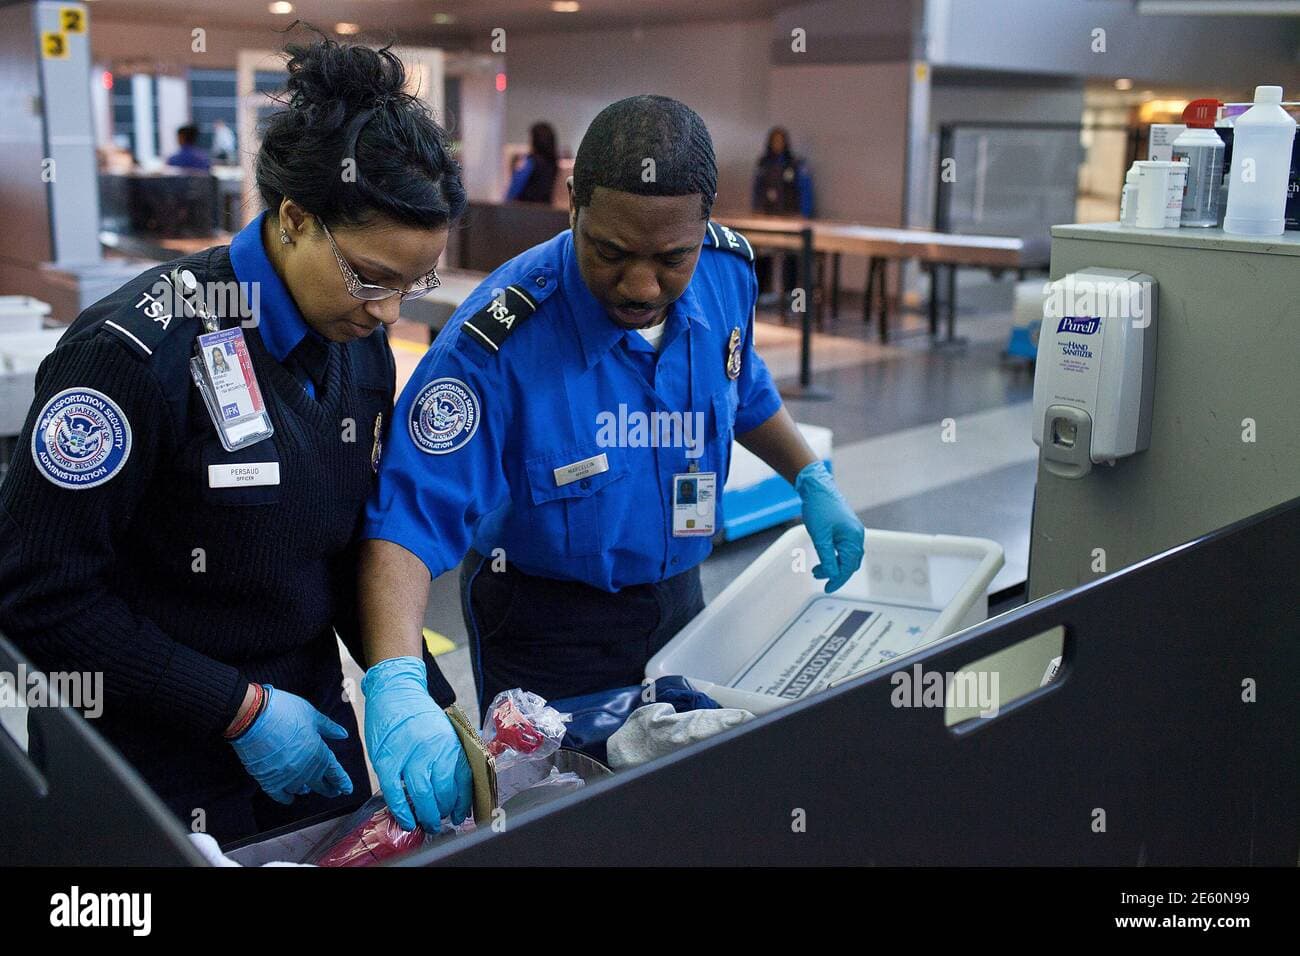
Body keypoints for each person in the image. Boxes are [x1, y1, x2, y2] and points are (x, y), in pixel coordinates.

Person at [0, 37, 469, 844]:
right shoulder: (134, 353)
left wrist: (410, 691)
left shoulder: (356, 349)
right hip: (158, 758)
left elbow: (345, 545)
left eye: (414, 284)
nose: (390, 312)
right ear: (293, 220)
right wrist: (234, 709)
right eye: (370, 276)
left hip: (313, 748)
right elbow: (35, 593)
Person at [358, 95, 864, 831]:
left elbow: (742, 382)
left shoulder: (726, 273)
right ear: (572, 209)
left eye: (670, 259)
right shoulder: (497, 343)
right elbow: (407, 521)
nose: (640, 287)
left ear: (703, 228)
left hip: (681, 600)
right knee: (566, 823)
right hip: (544, 627)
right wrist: (398, 682)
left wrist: (810, 477)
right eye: (611, 252)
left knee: (678, 801)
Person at [752, 126, 814, 298]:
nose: (777, 144)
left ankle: (791, 296)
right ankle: (761, 294)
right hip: (768, 218)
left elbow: (805, 190)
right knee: (762, 256)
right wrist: (757, 210)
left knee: (791, 258)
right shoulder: (764, 164)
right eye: (774, 140)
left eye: (780, 140)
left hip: (791, 218)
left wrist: (804, 213)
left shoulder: (794, 164)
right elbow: (757, 190)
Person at [505, 121, 559, 204]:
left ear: (535, 140)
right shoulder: (553, 163)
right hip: (546, 210)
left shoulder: (530, 162)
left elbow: (515, 188)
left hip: (525, 209)